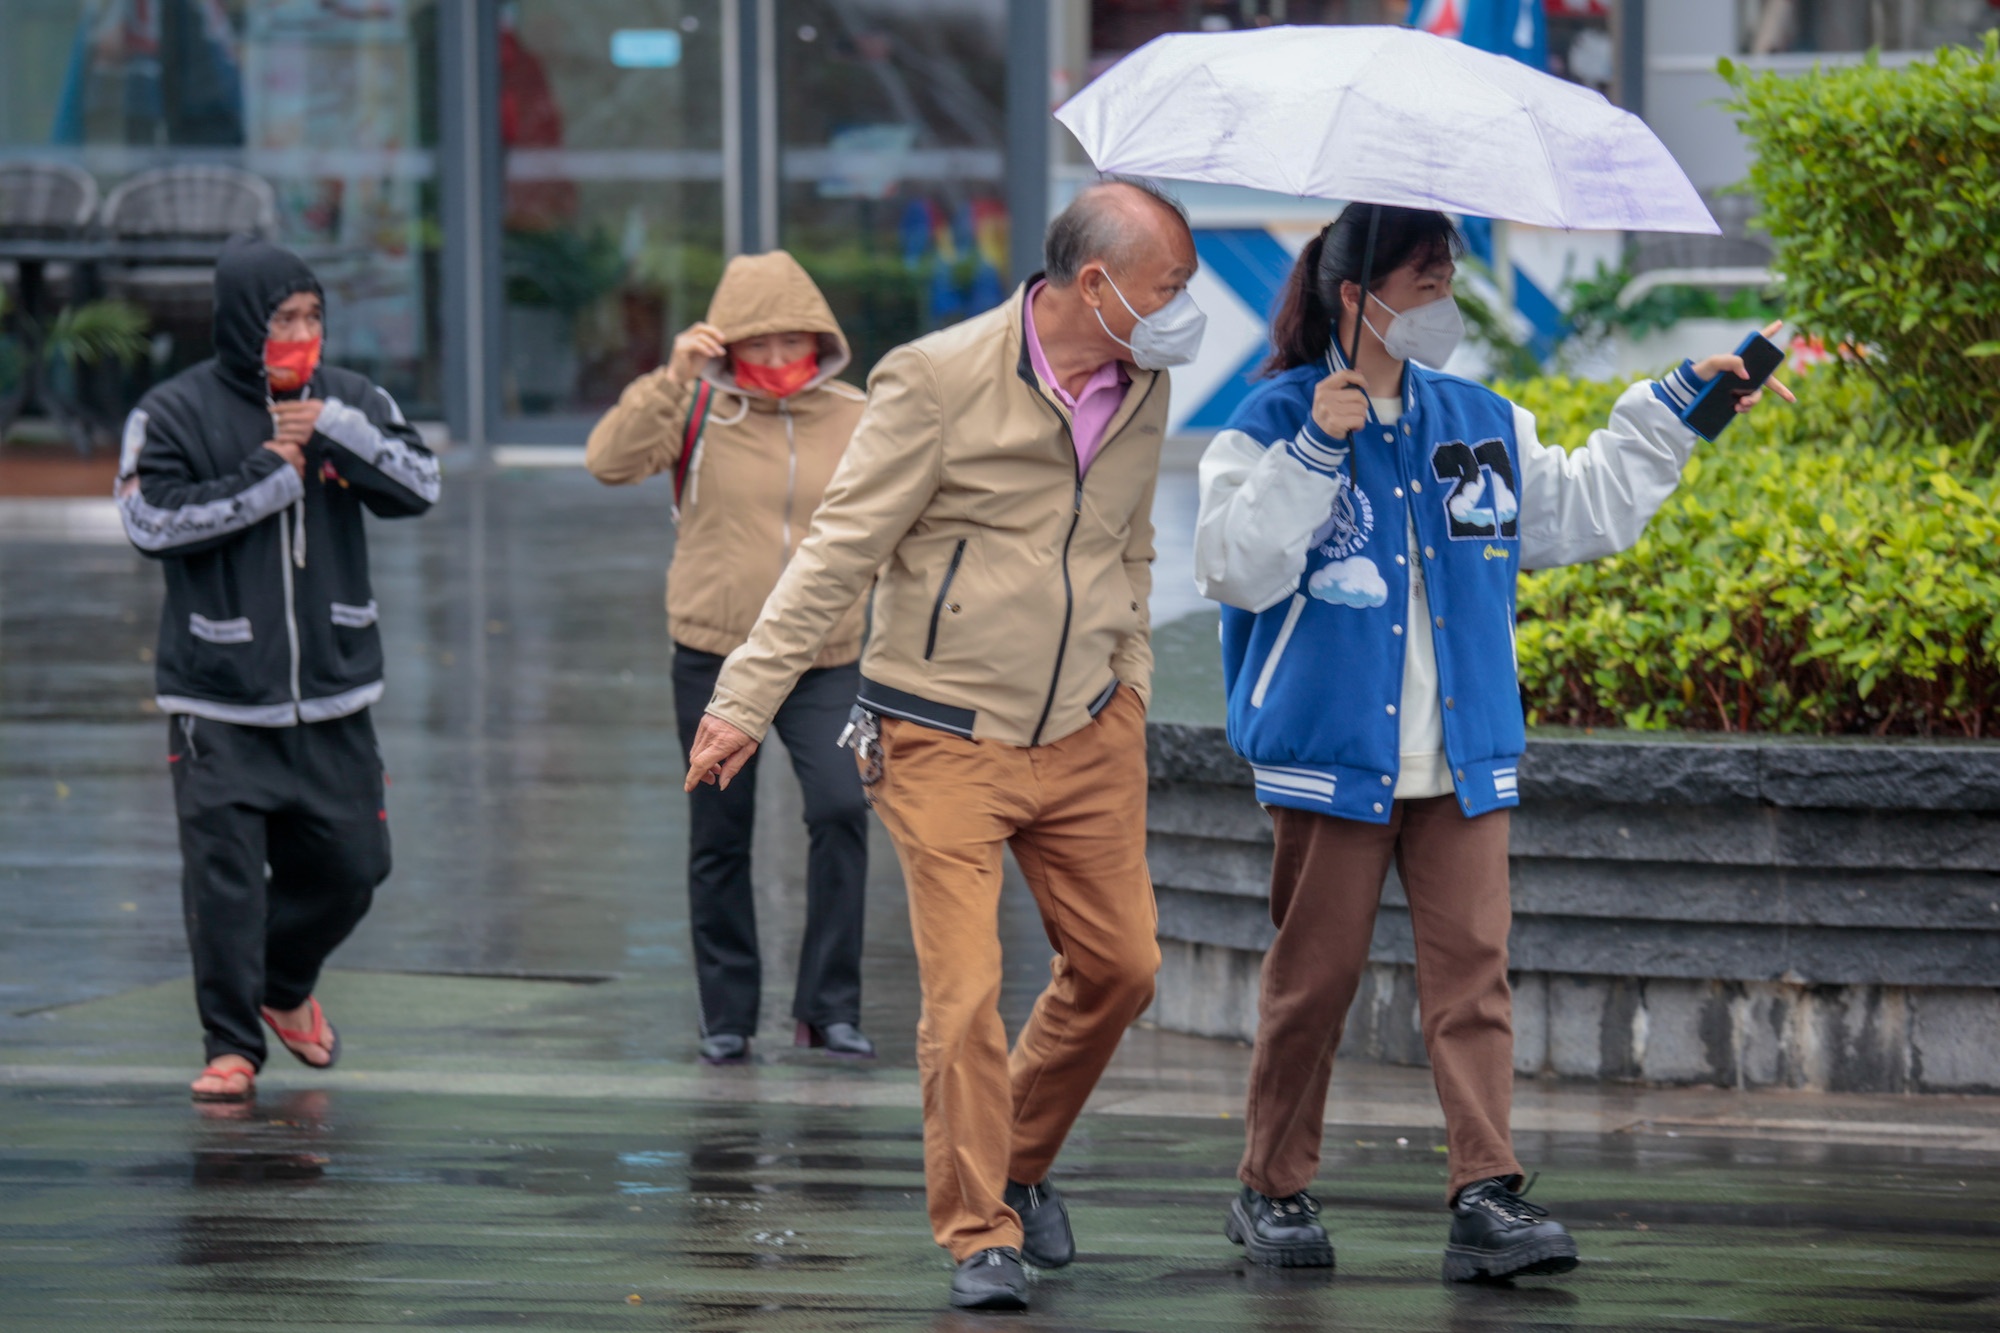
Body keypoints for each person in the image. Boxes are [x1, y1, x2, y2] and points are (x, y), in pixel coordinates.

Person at [1193, 204, 1790, 1282]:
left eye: (1447, 280)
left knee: (1472, 980)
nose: (1445, 306)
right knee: (1310, 982)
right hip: (1332, 758)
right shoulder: (1266, 420)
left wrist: (1679, 408)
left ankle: (1485, 1190)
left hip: (1463, 758)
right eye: (1425, 283)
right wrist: (1317, 447)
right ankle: (1270, 1186)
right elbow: (1235, 567)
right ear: (1355, 295)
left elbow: (1579, 511)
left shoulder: (1478, 419)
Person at [682, 179, 1202, 1312]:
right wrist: (745, 698)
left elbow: (1130, 546)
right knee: (962, 997)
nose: (1183, 311)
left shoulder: (1145, 378)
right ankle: (980, 1231)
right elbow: (836, 552)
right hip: (941, 733)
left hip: (1084, 728)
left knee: (1121, 969)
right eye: (1169, 288)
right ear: (1096, 284)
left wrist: (1129, 685)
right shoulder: (934, 378)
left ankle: (1014, 1156)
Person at [116, 234, 441, 1105]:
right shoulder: (173, 413)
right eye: (281, 319)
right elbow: (149, 522)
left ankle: (283, 983)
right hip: (217, 698)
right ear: (239, 325)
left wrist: (336, 433)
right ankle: (231, 1048)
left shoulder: (351, 399)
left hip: (335, 692)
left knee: (356, 863)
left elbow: (421, 483)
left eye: (311, 317)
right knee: (224, 884)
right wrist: (267, 477)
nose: (300, 334)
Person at [585, 251, 876, 1065]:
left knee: (842, 810)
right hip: (714, 652)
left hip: (828, 655)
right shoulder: (695, 407)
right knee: (721, 830)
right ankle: (727, 1013)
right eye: (762, 345)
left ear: (821, 340)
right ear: (727, 346)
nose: (781, 362)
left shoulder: (859, 412)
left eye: (795, 343)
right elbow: (607, 460)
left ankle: (829, 1005)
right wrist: (670, 378)